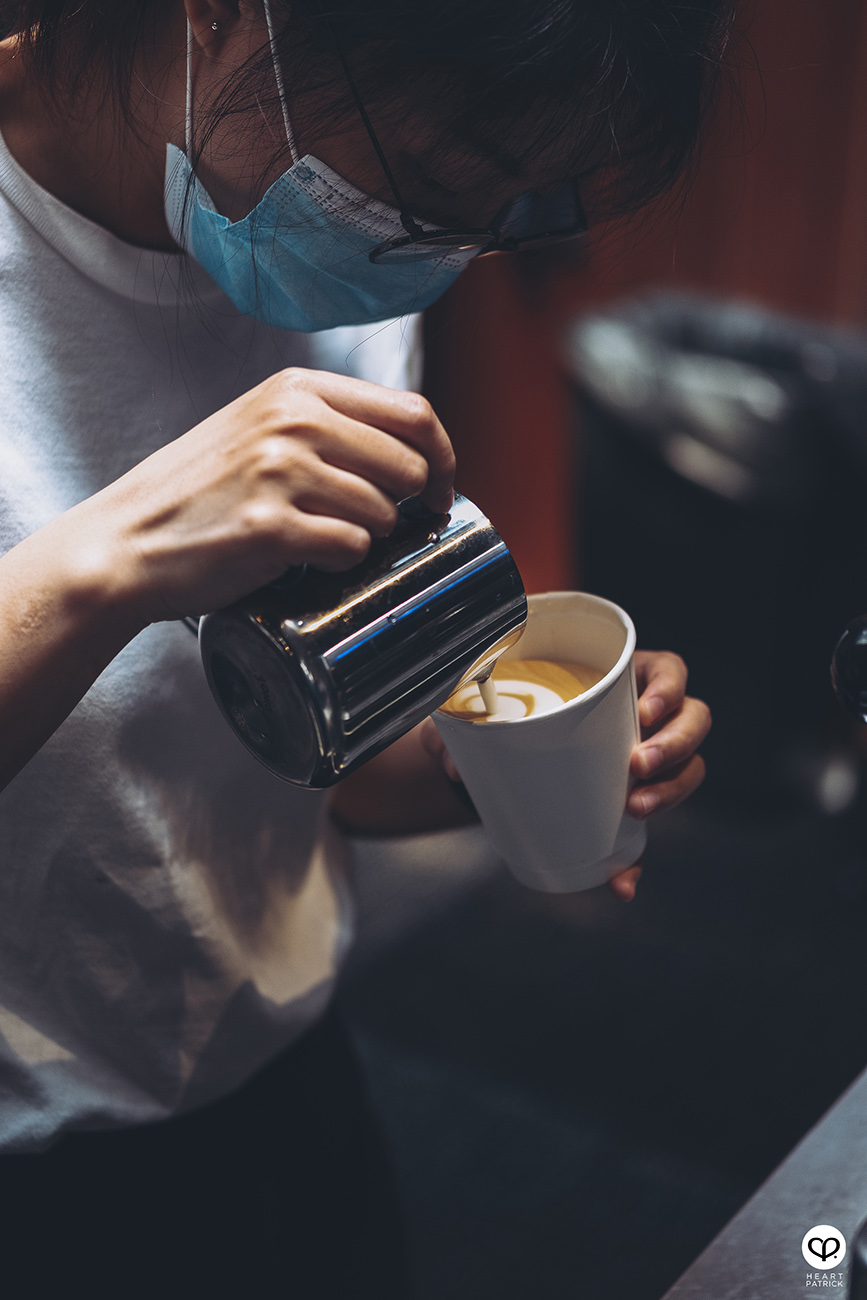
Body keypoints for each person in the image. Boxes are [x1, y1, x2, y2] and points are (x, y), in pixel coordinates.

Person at [0, 0, 721, 1294]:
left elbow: (297, 771)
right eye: (435, 188)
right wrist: (104, 562)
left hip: (280, 1074)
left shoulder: (349, 253)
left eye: (503, 211)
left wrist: (495, 761)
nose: (441, 257)